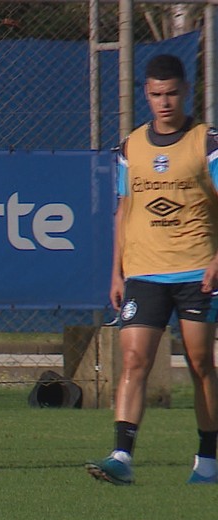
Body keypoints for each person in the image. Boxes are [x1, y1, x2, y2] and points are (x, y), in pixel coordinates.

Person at [86, 54, 218, 485]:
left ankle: (208, 460)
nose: (164, 102)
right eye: (157, 94)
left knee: (201, 363)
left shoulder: (206, 143)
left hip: (196, 271)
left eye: (172, 94)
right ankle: (121, 456)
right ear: (145, 93)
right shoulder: (131, 147)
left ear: (186, 91)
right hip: (144, 272)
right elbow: (123, 210)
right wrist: (116, 272)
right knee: (133, 358)